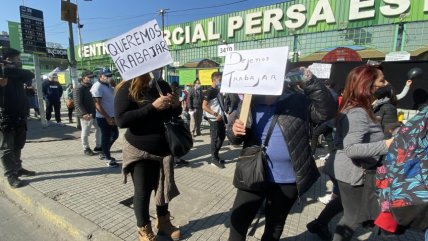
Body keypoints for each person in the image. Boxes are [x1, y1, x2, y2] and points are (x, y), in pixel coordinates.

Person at [227, 67, 337, 241]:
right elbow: (234, 139)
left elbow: (327, 112)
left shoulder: (298, 100)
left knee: (274, 227)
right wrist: (234, 130)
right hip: (253, 173)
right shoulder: (248, 101)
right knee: (238, 223)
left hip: (287, 178)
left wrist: (310, 80)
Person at [324, 65, 394, 241]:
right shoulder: (358, 112)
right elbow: (352, 149)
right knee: (352, 217)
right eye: (382, 80)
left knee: (346, 208)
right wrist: (386, 144)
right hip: (353, 172)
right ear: (368, 84)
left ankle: (318, 224)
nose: (387, 83)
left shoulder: (358, 108)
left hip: (349, 170)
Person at [115, 72, 182, 241]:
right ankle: (143, 230)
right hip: (140, 150)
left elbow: (174, 114)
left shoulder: (162, 85)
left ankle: (163, 222)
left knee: (162, 188)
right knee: (143, 192)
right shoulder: (128, 87)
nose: (157, 67)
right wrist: (153, 106)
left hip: (163, 149)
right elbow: (121, 120)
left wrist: (176, 105)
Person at [0, 48, 36, 188]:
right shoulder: (3, 70)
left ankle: (17, 168)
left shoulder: (15, 73)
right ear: (8, 59)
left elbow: (29, 74)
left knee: (18, 144)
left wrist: (12, 69)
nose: (19, 62)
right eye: (16, 59)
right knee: (7, 148)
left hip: (20, 114)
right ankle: (11, 175)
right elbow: (5, 73)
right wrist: (7, 68)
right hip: (5, 116)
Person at [90, 68, 119, 167]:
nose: (109, 77)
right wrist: (107, 118)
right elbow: (97, 105)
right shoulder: (97, 87)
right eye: (107, 75)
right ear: (101, 76)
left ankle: (104, 151)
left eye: (110, 75)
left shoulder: (109, 85)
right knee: (106, 137)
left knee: (115, 135)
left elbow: (117, 90)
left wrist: (114, 84)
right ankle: (107, 158)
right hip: (103, 117)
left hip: (112, 115)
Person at [202, 72, 228, 169]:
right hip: (214, 119)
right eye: (220, 80)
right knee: (215, 138)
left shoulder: (217, 91)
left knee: (222, 137)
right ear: (215, 80)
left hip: (220, 119)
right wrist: (215, 114)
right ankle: (213, 159)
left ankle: (215, 156)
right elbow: (204, 106)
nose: (221, 82)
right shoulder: (210, 91)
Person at [74, 71, 102, 156]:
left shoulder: (91, 86)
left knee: (99, 128)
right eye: (88, 77)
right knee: (86, 132)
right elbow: (77, 103)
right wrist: (84, 113)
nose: (90, 78)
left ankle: (98, 146)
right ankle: (86, 148)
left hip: (94, 112)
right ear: (83, 78)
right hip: (85, 115)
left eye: (91, 77)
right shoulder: (79, 88)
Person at [169, 81, 189, 167]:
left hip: (175, 121)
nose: (180, 90)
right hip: (171, 123)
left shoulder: (176, 95)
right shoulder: (171, 96)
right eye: (178, 89)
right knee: (174, 142)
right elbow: (173, 110)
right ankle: (174, 160)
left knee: (177, 142)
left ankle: (177, 159)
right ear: (175, 88)